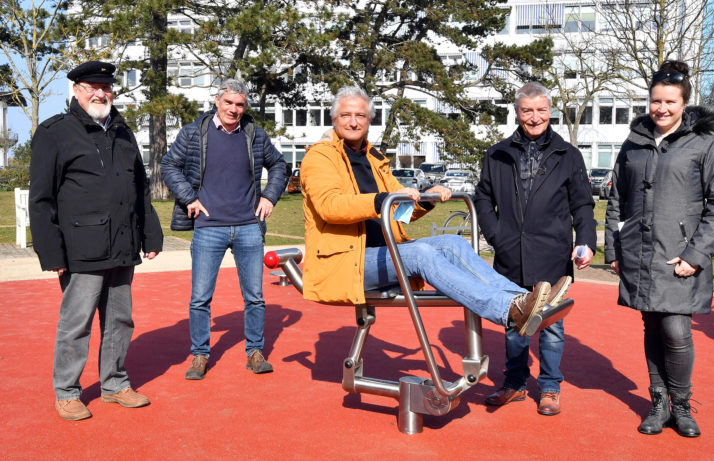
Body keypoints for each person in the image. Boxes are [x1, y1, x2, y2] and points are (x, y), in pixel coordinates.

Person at [300, 86, 567, 337]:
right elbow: (329, 207)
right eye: (346, 115)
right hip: (344, 262)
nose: (354, 122)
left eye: (360, 115)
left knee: (452, 243)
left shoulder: (374, 159)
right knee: (421, 253)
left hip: (383, 254)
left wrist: (426, 199)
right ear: (334, 118)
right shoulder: (321, 156)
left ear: (370, 120)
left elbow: (398, 212)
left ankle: (522, 300)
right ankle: (506, 309)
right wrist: (381, 199)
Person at [604, 60, 714, 437]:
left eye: (670, 102)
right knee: (652, 327)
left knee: (676, 331)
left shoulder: (705, 143)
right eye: (656, 101)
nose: (661, 108)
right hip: (639, 252)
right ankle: (658, 402)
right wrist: (613, 248)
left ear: (685, 104)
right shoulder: (633, 144)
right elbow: (617, 199)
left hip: (679, 256)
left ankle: (682, 404)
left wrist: (696, 255)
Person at [29, 61, 164, 421]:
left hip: (123, 244)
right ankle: (67, 392)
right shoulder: (54, 132)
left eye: (106, 86)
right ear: (76, 90)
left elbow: (140, 188)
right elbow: (40, 199)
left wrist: (150, 233)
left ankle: (115, 384)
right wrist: (50, 251)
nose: (100, 93)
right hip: (80, 249)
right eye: (91, 86)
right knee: (76, 324)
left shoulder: (123, 131)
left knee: (121, 320)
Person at [474, 82, 597, 416]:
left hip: (553, 252)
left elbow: (583, 205)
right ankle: (514, 384)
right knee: (515, 323)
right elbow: (483, 197)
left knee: (552, 326)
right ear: (517, 112)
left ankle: (550, 387)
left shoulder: (568, 155)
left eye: (541, 110)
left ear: (550, 111)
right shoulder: (497, 153)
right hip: (510, 251)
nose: (535, 117)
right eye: (527, 110)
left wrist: (585, 240)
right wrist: (496, 235)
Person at [161, 79, 286, 380]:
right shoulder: (194, 132)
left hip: (248, 227)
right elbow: (169, 165)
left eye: (240, 104)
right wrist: (188, 197)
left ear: (245, 106)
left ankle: (255, 352)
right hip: (208, 228)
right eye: (228, 102)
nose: (234, 109)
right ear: (217, 100)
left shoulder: (254, 134)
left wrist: (270, 196)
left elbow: (279, 165)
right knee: (200, 298)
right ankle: (199, 356)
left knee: (254, 296)